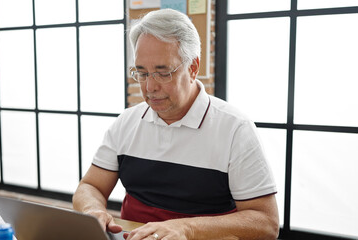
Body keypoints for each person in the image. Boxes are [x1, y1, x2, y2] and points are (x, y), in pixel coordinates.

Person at [72, 8, 279, 240]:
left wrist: (186, 228)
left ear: (192, 68)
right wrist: (93, 210)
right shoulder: (126, 123)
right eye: (142, 73)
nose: (150, 87)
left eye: (163, 73)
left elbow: (266, 224)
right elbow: (90, 186)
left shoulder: (234, 128)